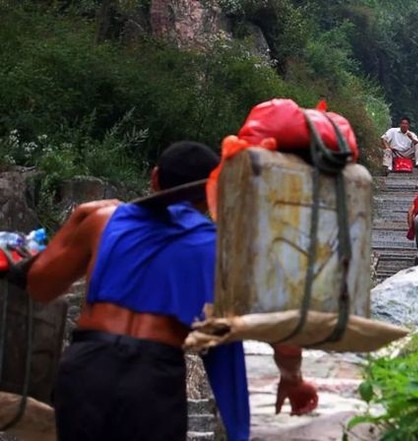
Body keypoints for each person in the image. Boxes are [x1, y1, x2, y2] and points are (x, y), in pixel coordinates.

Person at [23, 141, 318, 441]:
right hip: (152, 378)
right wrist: (293, 381)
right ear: (212, 193)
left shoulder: (103, 221)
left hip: (88, 367)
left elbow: (40, 286)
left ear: (154, 178)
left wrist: (76, 220)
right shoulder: (222, 251)